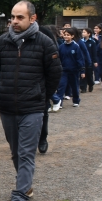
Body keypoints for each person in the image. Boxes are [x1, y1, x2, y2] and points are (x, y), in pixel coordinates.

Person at [0, 0, 61, 201]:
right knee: (15, 152)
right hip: (8, 107)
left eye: (20, 17)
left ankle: (18, 200)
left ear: (33, 18)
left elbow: (54, 75)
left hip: (33, 108)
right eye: (12, 17)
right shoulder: (2, 42)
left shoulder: (45, 43)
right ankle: (27, 186)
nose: (14, 21)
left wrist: (41, 96)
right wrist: (5, 91)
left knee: (26, 153)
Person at [37, 25, 59, 154]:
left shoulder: (45, 34)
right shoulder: (15, 36)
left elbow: (55, 69)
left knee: (42, 114)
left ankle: (42, 138)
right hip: (21, 85)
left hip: (41, 85)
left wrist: (49, 91)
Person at [55, 28, 85, 108]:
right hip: (63, 70)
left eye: (68, 35)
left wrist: (82, 70)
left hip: (74, 71)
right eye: (65, 35)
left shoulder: (76, 47)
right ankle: (59, 103)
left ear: (72, 36)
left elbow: (79, 59)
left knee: (74, 86)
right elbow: (59, 58)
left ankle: (76, 100)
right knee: (61, 86)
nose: (66, 36)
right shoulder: (61, 47)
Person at [80, 28, 98, 93]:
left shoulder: (92, 42)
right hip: (82, 61)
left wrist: (95, 61)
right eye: (82, 32)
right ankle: (83, 88)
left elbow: (94, 52)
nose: (83, 33)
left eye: (84, 32)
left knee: (89, 74)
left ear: (89, 34)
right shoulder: (81, 41)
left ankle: (90, 84)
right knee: (82, 74)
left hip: (89, 61)